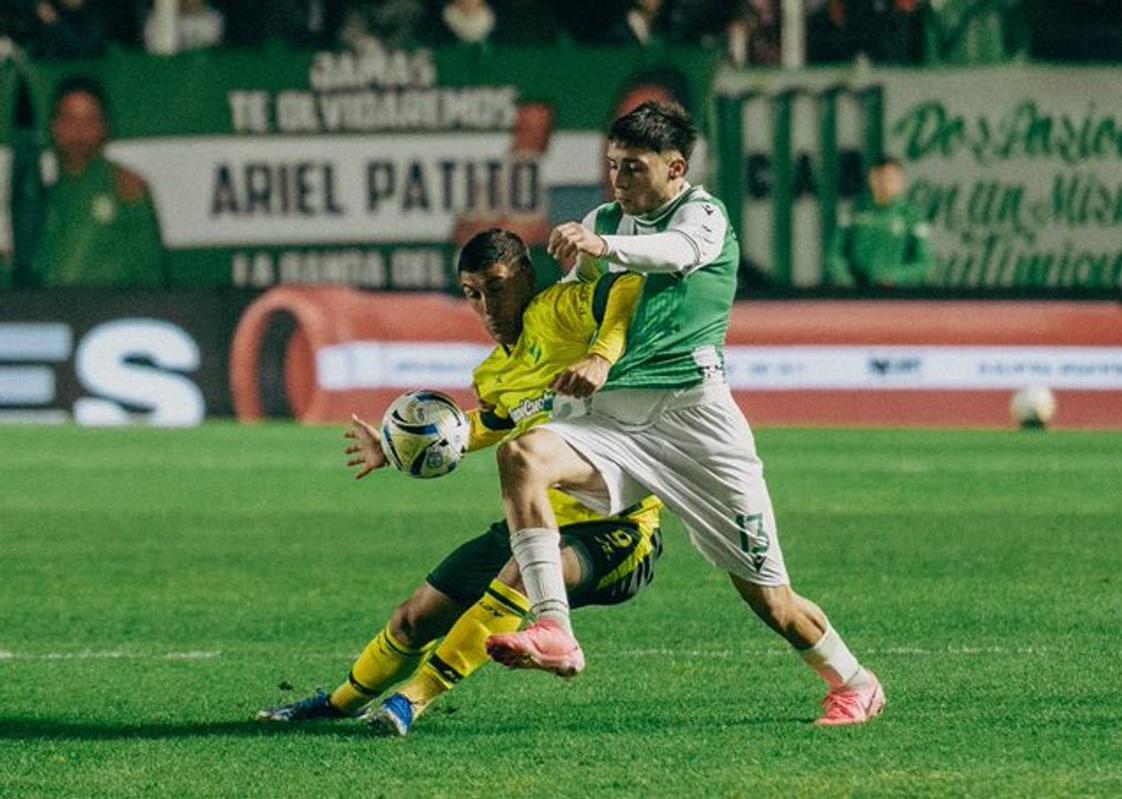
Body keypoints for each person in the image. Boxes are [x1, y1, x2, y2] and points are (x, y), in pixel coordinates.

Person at [485, 101, 885, 726]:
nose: (618, 181)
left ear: (676, 167)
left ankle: (854, 681)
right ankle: (555, 630)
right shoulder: (607, 218)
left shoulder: (703, 217)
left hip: (697, 425)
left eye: (634, 168)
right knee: (522, 456)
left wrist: (600, 243)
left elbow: (672, 253)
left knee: (770, 600)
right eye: (613, 166)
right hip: (615, 420)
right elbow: (577, 299)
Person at [258, 229, 663, 736]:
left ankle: (413, 701)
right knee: (414, 618)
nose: (487, 305)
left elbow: (628, 284)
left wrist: (602, 355)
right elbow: (493, 423)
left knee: (521, 570)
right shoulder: (494, 372)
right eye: (473, 292)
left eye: (497, 286)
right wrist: (396, 446)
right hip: (536, 521)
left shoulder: (560, 310)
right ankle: (337, 702)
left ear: (526, 279)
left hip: (618, 528)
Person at [31, 76, 168, 288]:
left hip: (111, 314)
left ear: (104, 127)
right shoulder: (43, 194)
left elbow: (152, 274)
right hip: (54, 313)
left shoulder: (125, 185)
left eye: (89, 121)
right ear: (54, 126)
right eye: (69, 119)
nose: (78, 131)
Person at [825, 155, 932, 289]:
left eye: (892, 179)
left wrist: (895, 277)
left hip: (897, 298)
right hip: (856, 298)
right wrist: (846, 281)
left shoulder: (912, 217)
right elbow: (834, 254)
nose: (885, 184)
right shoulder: (854, 211)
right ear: (871, 179)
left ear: (902, 182)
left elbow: (925, 264)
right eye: (880, 178)